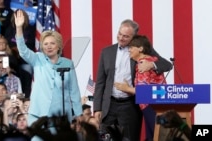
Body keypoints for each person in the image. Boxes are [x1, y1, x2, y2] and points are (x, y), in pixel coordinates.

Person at [93, 19, 173, 141]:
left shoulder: (142, 49)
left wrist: (152, 65)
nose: (120, 38)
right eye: (119, 34)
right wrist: (97, 108)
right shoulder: (106, 52)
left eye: (125, 36)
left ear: (133, 37)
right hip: (109, 106)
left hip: (130, 106)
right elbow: (100, 82)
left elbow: (167, 65)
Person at [14, 10, 82, 141]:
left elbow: (74, 90)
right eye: (45, 44)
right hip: (39, 114)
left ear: (59, 46)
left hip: (61, 116)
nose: (49, 46)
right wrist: (19, 28)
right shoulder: (37, 59)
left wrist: (78, 113)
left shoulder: (68, 63)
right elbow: (22, 51)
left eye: (52, 43)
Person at [114, 35, 167, 141]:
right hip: (156, 104)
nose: (129, 50)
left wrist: (126, 88)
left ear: (140, 49)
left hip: (151, 106)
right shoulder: (150, 61)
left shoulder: (143, 64)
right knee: (152, 136)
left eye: (131, 47)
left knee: (156, 136)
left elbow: (144, 91)